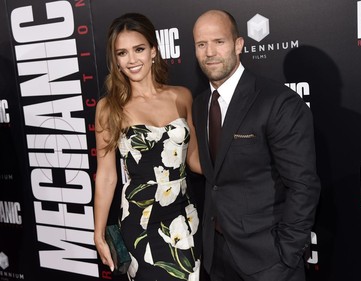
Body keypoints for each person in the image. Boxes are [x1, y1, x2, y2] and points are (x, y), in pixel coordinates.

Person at [192, 9, 321, 281]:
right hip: (216, 257)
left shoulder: (277, 102)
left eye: (219, 42)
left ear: (239, 45)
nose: (210, 52)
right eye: (201, 44)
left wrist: (285, 254)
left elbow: (303, 185)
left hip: (268, 260)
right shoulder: (201, 104)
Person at [94, 12, 202, 281]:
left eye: (139, 49)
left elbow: (195, 159)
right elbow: (107, 176)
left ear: (153, 50)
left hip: (184, 217)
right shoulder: (109, 108)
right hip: (140, 224)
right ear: (116, 60)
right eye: (122, 53)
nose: (131, 60)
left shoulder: (181, 96)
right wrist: (98, 234)